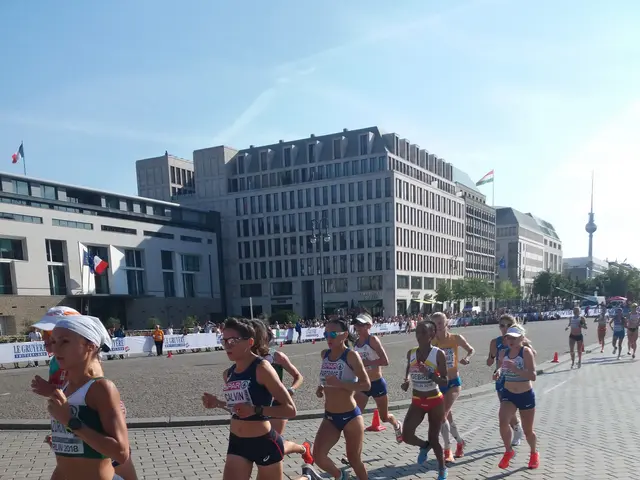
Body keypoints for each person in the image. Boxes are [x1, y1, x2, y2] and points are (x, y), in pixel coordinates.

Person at [31, 313, 139, 480]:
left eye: (64, 341)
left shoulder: (100, 388)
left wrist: (70, 422)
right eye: (54, 342)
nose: (55, 349)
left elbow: (121, 452)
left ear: (90, 345)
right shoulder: (66, 388)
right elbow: (64, 463)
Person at [201, 318, 297, 480]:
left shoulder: (262, 368)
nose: (227, 345)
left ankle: (307, 477)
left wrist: (255, 410)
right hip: (237, 443)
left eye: (233, 340)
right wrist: (218, 403)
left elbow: (290, 410)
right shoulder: (229, 373)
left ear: (250, 342)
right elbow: (238, 409)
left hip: (263, 443)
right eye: (224, 340)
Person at [249, 319, 313, 464]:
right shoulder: (246, 359)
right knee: (261, 445)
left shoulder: (276, 357)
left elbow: (299, 376)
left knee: (272, 446)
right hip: (257, 407)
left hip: (278, 404)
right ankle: (303, 448)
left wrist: (291, 390)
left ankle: (302, 449)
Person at [314, 318, 370, 480]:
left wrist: (340, 384)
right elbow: (326, 377)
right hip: (330, 416)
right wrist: (321, 387)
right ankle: (341, 476)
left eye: (333, 334)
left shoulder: (351, 355)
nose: (328, 338)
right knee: (318, 455)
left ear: (345, 335)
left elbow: (365, 385)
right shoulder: (324, 354)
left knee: (354, 459)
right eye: (326, 334)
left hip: (350, 416)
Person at [401, 320, 449, 480]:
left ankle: (442, 468)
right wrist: (407, 379)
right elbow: (409, 367)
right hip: (417, 400)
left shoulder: (438, 354)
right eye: (417, 332)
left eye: (422, 332)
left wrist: (429, 374)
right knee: (406, 435)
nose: (418, 335)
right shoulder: (411, 352)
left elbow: (445, 381)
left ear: (431, 335)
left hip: (435, 400)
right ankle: (424, 446)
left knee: (434, 437)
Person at [351, 313, 403, 442]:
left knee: (384, 417)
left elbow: (385, 361)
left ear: (368, 326)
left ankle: (397, 424)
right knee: (355, 416)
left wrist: (368, 363)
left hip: (377, 383)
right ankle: (353, 450)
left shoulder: (372, 340)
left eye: (360, 324)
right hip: (363, 384)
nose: (357, 327)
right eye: (356, 324)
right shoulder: (356, 343)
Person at [494, 324, 539, 470]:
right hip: (509, 393)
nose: (510, 340)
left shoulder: (526, 352)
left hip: (525, 395)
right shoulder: (503, 353)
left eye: (514, 337)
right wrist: (498, 372)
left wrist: (516, 369)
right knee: (503, 421)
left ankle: (533, 453)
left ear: (521, 338)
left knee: (528, 431)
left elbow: (533, 375)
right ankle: (508, 451)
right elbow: (502, 367)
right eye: (508, 337)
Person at [431, 312, 474, 462]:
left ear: (446, 323)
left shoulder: (456, 338)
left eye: (440, 324)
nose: (438, 327)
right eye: (435, 325)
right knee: (447, 417)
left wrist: (467, 358)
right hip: (440, 384)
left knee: (442, 416)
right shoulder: (432, 342)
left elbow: (470, 349)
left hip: (454, 382)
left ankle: (447, 450)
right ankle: (460, 442)